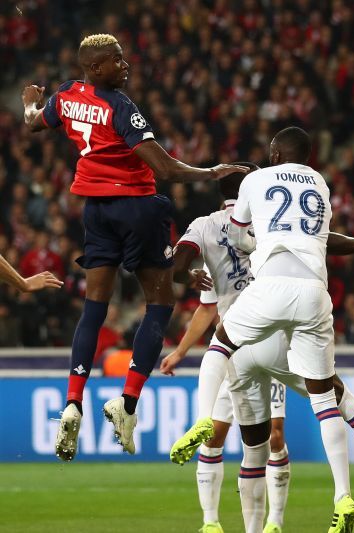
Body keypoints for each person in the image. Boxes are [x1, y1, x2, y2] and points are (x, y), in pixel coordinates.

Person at [162, 164, 354, 533]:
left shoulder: (204, 225)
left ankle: (221, 516)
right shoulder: (273, 210)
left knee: (253, 448)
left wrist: (185, 282)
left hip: (238, 339)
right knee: (339, 401)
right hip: (279, 332)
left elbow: (180, 270)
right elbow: (325, 240)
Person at [21, 33, 247, 461]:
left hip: (96, 211)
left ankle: (72, 401)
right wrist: (214, 171)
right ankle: (127, 403)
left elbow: (33, 121)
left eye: (123, 59)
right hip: (137, 208)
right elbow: (165, 168)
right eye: (114, 61)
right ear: (94, 67)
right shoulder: (120, 107)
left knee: (94, 307)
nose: (124, 66)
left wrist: (29, 100)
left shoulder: (68, 95)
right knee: (160, 305)